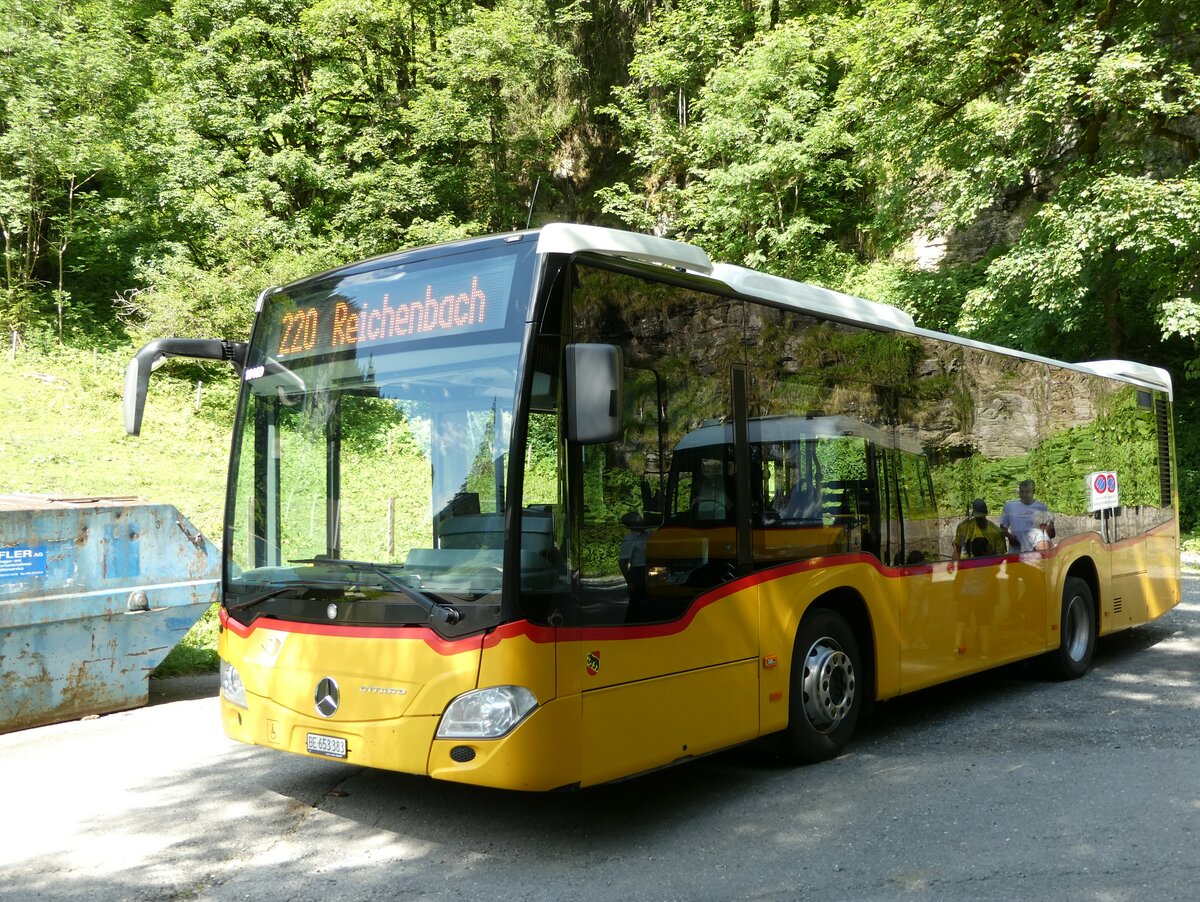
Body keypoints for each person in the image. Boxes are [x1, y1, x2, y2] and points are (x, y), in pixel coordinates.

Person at [1000, 480, 1051, 552]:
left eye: (1027, 492)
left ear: (1033, 492)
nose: (1024, 495)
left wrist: (1041, 541)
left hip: (1035, 551)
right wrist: (1009, 536)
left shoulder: (1042, 507)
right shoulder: (1009, 506)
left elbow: (1049, 531)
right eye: (1022, 492)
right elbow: (1002, 528)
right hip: (1016, 549)